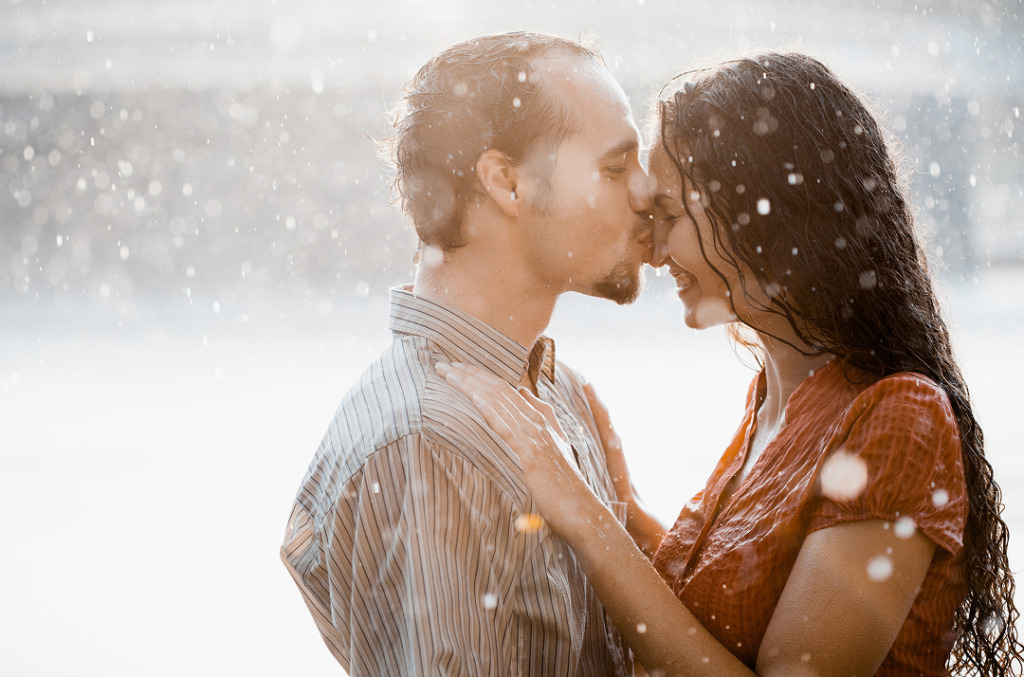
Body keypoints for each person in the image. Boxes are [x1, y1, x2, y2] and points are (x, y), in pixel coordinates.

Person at [436, 52, 1023, 676]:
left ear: (769, 214)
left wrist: (581, 510)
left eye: (670, 216)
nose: (653, 252)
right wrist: (620, 506)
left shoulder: (899, 417)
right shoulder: (773, 396)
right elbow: (730, 606)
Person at [280, 31, 653, 675]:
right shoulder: (430, 445)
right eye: (616, 169)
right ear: (506, 183)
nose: (648, 192)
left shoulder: (556, 391)